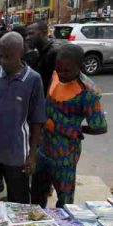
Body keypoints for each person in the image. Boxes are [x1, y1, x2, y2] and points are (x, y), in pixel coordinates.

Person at [31, 44, 107, 208]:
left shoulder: (88, 93)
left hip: (65, 154)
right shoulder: (56, 76)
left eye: (66, 71)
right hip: (43, 148)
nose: (61, 74)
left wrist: (76, 130)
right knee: (37, 191)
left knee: (64, 198)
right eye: (58, 69)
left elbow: (100, 127)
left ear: (80, 67)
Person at [0, 32, 46, 204]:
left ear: (21, 53)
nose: (4, 61)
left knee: (19, 201)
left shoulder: (33, 79)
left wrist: (32, 154)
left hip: (17, 154)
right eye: (1, 56)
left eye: (9, 57)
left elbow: (37, 120)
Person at [26, 20, 59, 95]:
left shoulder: (54, 54)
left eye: (31, 33)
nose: (27, 38)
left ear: (44, 32)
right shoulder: (38, 53)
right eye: (26, 34)